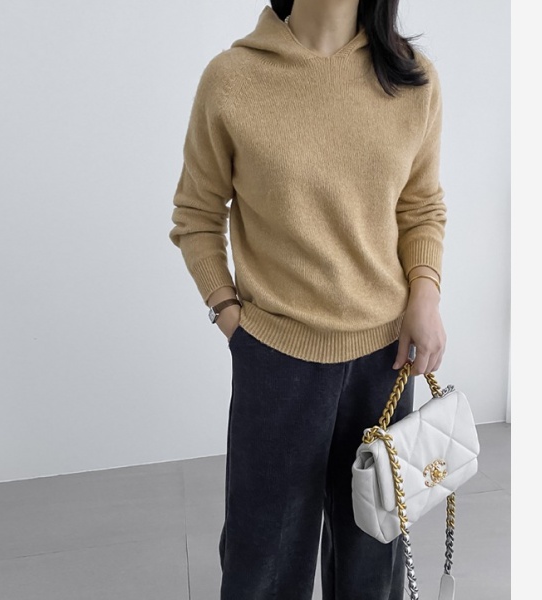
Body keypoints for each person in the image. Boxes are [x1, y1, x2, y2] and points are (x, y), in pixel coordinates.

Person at [168, 1, 447, 598]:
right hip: (276, 361)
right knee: (263, 565)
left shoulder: (411, 77)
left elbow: (420, 205)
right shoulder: (233, 79)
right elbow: (195, 214)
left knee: (373, 561)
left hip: (385, 363)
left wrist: (425, 296)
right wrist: (229, 316)